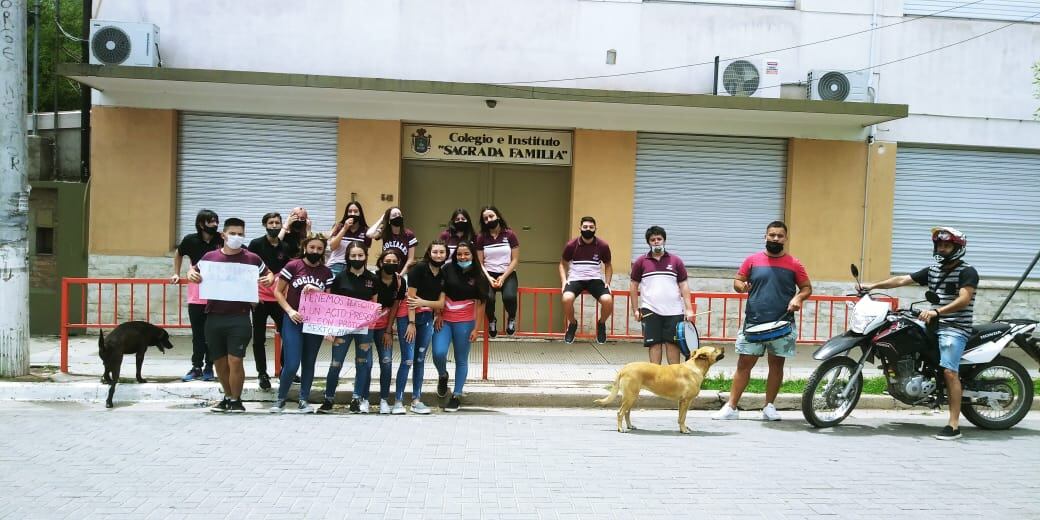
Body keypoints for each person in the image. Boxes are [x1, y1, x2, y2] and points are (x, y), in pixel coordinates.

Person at [859, 226, 976, 440]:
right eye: (939, 245)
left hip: (954, 327)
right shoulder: (933, 270)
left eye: (946, 245)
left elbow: (964, 299)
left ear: (957, 248)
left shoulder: (967, 271)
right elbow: (902, 280)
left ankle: (954, 425)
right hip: (932, 324)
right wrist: (872, 285)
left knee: (950, 371)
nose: (941, 249)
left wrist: (936, 311)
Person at [714, 221, 811, 422]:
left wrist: (798, 298)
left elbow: (806, 287)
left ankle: (769, 407)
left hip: (782, 324)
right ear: (765, 236)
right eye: (772, 235)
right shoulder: (752, 260)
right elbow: (738, 281)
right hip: (754, 322)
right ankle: (731, 407)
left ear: (785, 238)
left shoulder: (794, 264)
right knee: (744, 365)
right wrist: (741, 287)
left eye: (780, 236)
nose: (775, 238)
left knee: (776, 366)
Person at [188, 218, 273, 413]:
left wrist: (268, 279)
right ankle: (227, 396)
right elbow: (193, 270)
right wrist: (190, 272)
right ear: (223, 235)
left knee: (235, 359)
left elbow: (268, 274)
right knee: (219, 360)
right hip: (213, 316)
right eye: (232, 233)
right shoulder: (210, 257)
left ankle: (236, 400)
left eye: (240, 234)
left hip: (239, 317)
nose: (236, 237)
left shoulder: (252, 258)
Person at [269, 236, 335, 413]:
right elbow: (278, 292)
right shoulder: (293, 266)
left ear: (323, 251)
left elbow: (328, 300)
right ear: (305, 247)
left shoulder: (326, 272)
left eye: (319, 249)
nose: (315, 251)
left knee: (309, 362)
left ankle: (303, 400)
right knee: (291, 364)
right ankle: (280, 398)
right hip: (294, 320)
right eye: (311, 247)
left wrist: (318, 291)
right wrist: (290, 311)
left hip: (315, 322)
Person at [432, 241, 489, 412]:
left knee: (461, 359)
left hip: (465, 323)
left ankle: (456, 395)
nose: (463, 257)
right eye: (459, 254)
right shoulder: (447, 269)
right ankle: (443, 375)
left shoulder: (479, 275)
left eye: (466, 254)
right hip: (444, 320)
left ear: (472, 255)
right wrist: (438, 314)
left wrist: (476, 328)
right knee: (438, 353)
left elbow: (481, 304)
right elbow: (438, 292)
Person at [323, 242, 379, 414]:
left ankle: (356, 399)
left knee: (362, 363)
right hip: (342, 327)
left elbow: (374, 303)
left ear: (365, 257)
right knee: (335, 363)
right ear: (347, 257)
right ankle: (328, 399)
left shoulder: (372, 279)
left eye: (360, 256)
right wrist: (329, 328)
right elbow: (332, 303)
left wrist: (371, 321)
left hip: (364, 329)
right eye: (353, 256)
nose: (357, 259)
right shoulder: (339, 277)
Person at [629, 226, 695, 366]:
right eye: (653, 239)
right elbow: (634, 285)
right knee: (655, 345)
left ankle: (674, 380)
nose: (656, 242)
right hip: (650, 310)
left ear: (664, 240)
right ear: (648, 242)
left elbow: (684, 285)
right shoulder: (641, 262)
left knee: (672, 344)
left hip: (674, 311)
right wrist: (635, 309)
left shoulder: (675, 261)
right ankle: (656, 381)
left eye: (659, 239)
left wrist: (689, 309)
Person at [394, 240, 447, 414]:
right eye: (435, 252)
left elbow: (440, 303)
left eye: (442, 252)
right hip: (409, 317)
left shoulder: (443, 275)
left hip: (426, 318)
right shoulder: (418, 269)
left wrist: (424, 303)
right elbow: (411, 300)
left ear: (446, 254)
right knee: (408, 359)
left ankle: (416, 400)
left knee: (420, 359)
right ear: (429, 253)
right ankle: (398, 401)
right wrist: (411, 323)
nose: (438, 255)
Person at [172, 209, 223, 383]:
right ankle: (196, 367)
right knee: (198, 334)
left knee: (212, 333)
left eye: (216, 221)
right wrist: (176, 273)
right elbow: (178, 254)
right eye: (211, 222)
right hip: (196, 294)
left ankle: (210, 366)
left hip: (216, 295)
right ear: (201, 224)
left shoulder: (221, 240)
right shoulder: (190, 240)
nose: (215, 225)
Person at [246, 212, 291, 390]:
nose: (274, 226)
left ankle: (286, 369)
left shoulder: (285, 247)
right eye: (271, 223)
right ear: (264, 224)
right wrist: (252, 296)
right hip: (259, 300)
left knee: (287, 336)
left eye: (277, 223)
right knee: (258, 338)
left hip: (280, 299)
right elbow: (247, 270)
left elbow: (289, 274)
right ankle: (262, 373)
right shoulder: (256, 244)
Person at [559, 216, 614, 345]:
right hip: (575, 279)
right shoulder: (571, 245)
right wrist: (563, 281)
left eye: (591, 227)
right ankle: (572, 324)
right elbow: (562, 264)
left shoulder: (603, 246)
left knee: (608, 300)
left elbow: (608, 265)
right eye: (585, 227)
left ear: (595, 229)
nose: (588, 229)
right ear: (580, 228)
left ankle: (601, 324)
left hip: (595, 279)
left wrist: (607, 282)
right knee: (566, 298)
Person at [366, 249, 406, 414]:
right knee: (366, 364)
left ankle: (384, 399)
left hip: (384, 327)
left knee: (387, 362)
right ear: (381, 262)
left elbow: (396, 305)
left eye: (394, 261)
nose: (391, 264)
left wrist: (389, 330)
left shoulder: (399, 281)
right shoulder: (371, 278)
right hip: (368, 327)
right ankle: (364, 399)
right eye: (387, 261)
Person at [475, 206, 520, 337]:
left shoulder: (510, 234)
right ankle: (492, 320)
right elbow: (480, 262)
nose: (489, 220)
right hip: (488, 273)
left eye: (491, 216)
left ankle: (511, 318)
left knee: (509, 297)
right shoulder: (481, 237)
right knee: (488, 298)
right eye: (485, 218)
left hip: (508, 272)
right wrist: (489, 278)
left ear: (498, 216)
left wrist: (503, 277)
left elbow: (515, 259)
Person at [367, 206, 418, 272]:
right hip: (386, 271)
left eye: (399, 214)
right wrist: (381, 220)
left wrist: (401, 275)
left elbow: (410, 259)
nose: (397, 216)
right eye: (394, 215)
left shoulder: (409, 234)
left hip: (402, 272)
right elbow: (369, 234)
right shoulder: (384, 232)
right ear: (389, 220)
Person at [327, 201, 371, 276]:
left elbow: (364, 254)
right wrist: (344, 228)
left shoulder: (366, 231)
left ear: (360, 213)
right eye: (350, 211)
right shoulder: (338, 227)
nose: (352, 214)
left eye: (356, 211)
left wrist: (364, 270)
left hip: (355, 266)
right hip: (337, 265)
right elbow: (332, 247)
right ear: (346, 213)